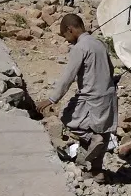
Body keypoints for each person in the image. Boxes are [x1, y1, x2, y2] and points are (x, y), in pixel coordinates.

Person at [36, 14, 117, 183]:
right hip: (108, 96)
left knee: (67, 117)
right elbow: (110, 68)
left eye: (65, 36)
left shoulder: (80, 48)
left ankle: (90, 139)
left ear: (70, 30)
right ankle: (97, 172)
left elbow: (68, 76)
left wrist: (51, 99)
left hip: (90, 97)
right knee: (102, 133)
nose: (67, 40)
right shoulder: (99, 43)